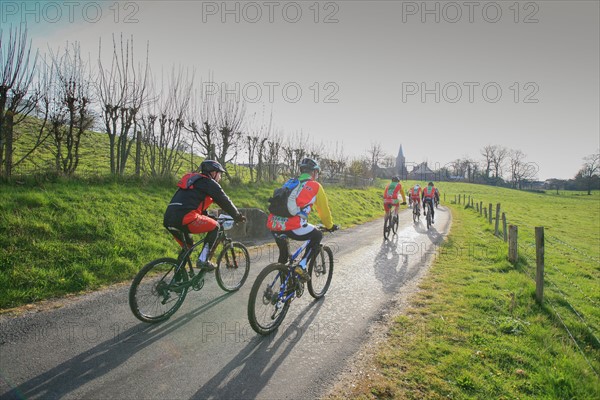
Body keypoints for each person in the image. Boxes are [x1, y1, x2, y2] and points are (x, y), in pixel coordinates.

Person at [163, 160, 246, 271]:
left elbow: (192, 203)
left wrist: (208, 216)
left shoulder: (194, 181)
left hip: (169, 219)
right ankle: (203, 260)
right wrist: (237, 216)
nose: (220, 177)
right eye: (219, 174)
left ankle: (177, 279)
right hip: (185, 218)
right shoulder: (209, 183)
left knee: (188, 246)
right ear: (212, 172)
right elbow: (225, 201)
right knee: (216, 226)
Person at [266, 158, 337, 282]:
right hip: (292, 226)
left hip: (274, 224)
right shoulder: (315, 186)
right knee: (317, 235)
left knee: (284, 256)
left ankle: (284, 289)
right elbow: (324, 212)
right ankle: (302, 265)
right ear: (314, 172)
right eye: (317, 173)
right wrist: (330, 225)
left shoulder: (290, 182)